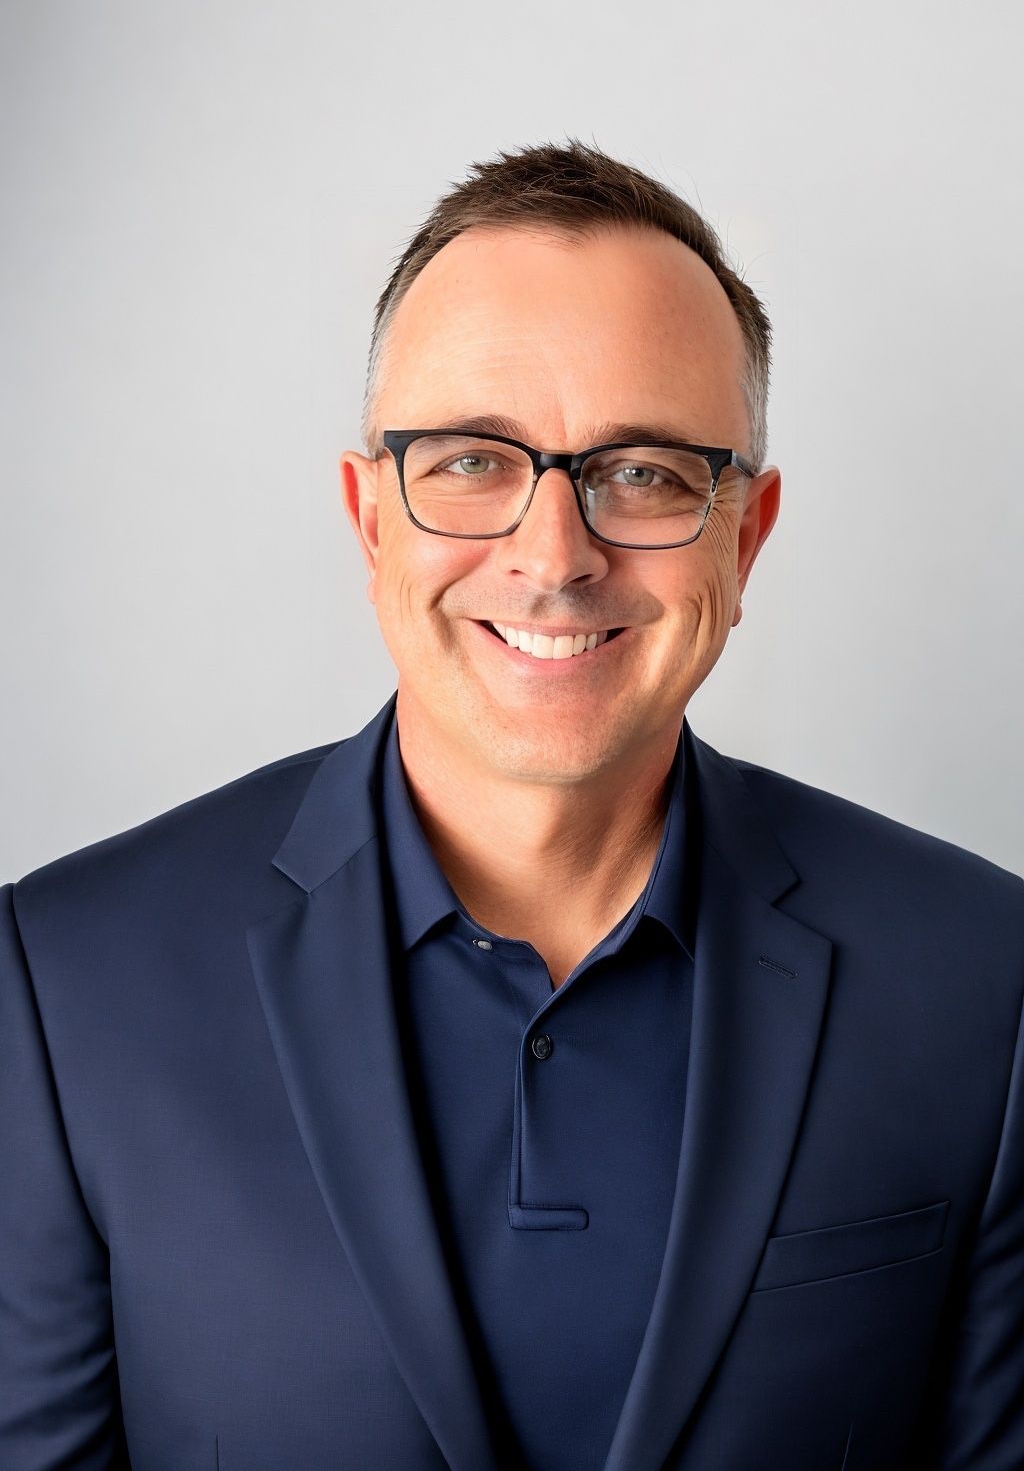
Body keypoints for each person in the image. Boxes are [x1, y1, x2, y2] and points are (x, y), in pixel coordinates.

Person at [1, 139, 1021, 1471]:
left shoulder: (981, 977)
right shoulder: (65, 980)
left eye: (647, 471)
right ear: (370, 518)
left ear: (747, 534)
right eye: (474, 461)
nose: (555, 556)